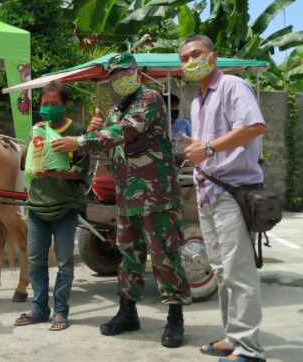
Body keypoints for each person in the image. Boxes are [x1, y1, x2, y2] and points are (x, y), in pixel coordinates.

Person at [51, 52, 191, 348]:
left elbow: (124, 131)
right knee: (129, 256)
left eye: (124, 73)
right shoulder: (115, 109)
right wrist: (88, 137)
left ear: (135, 73)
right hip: (127, 197)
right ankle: (128, 312)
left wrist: (80, 141)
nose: (119, 79)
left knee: (165, 256)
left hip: (157, 196)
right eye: (114, 76)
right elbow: (108, 141)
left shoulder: (150, 99)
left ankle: (175, 318)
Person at [180, 35, 267, 362]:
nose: (190, 62)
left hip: (234, 191)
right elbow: (207, 147)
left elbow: (255, 126)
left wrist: (210, 147)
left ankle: (250, 348)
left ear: (213, 57)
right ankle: (233, 337)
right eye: (185, 58)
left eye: (196, 54)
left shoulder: (232, 86)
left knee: (238, 271)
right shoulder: (196, 101)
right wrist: (197, 149)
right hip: (208, 191)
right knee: (221, 270)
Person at [14, 82, 88, 331]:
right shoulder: (39, 130)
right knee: (36, 262)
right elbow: (25, 163)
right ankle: (39, 309)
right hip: (37, 206)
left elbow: (81, 172)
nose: (48, 108)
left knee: (65, 262)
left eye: (53, 104)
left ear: (64, 105)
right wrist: (31, 147)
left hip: (65, 207)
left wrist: (58, 171)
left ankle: (61, 312)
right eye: (45, 104)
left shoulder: (77, 131)